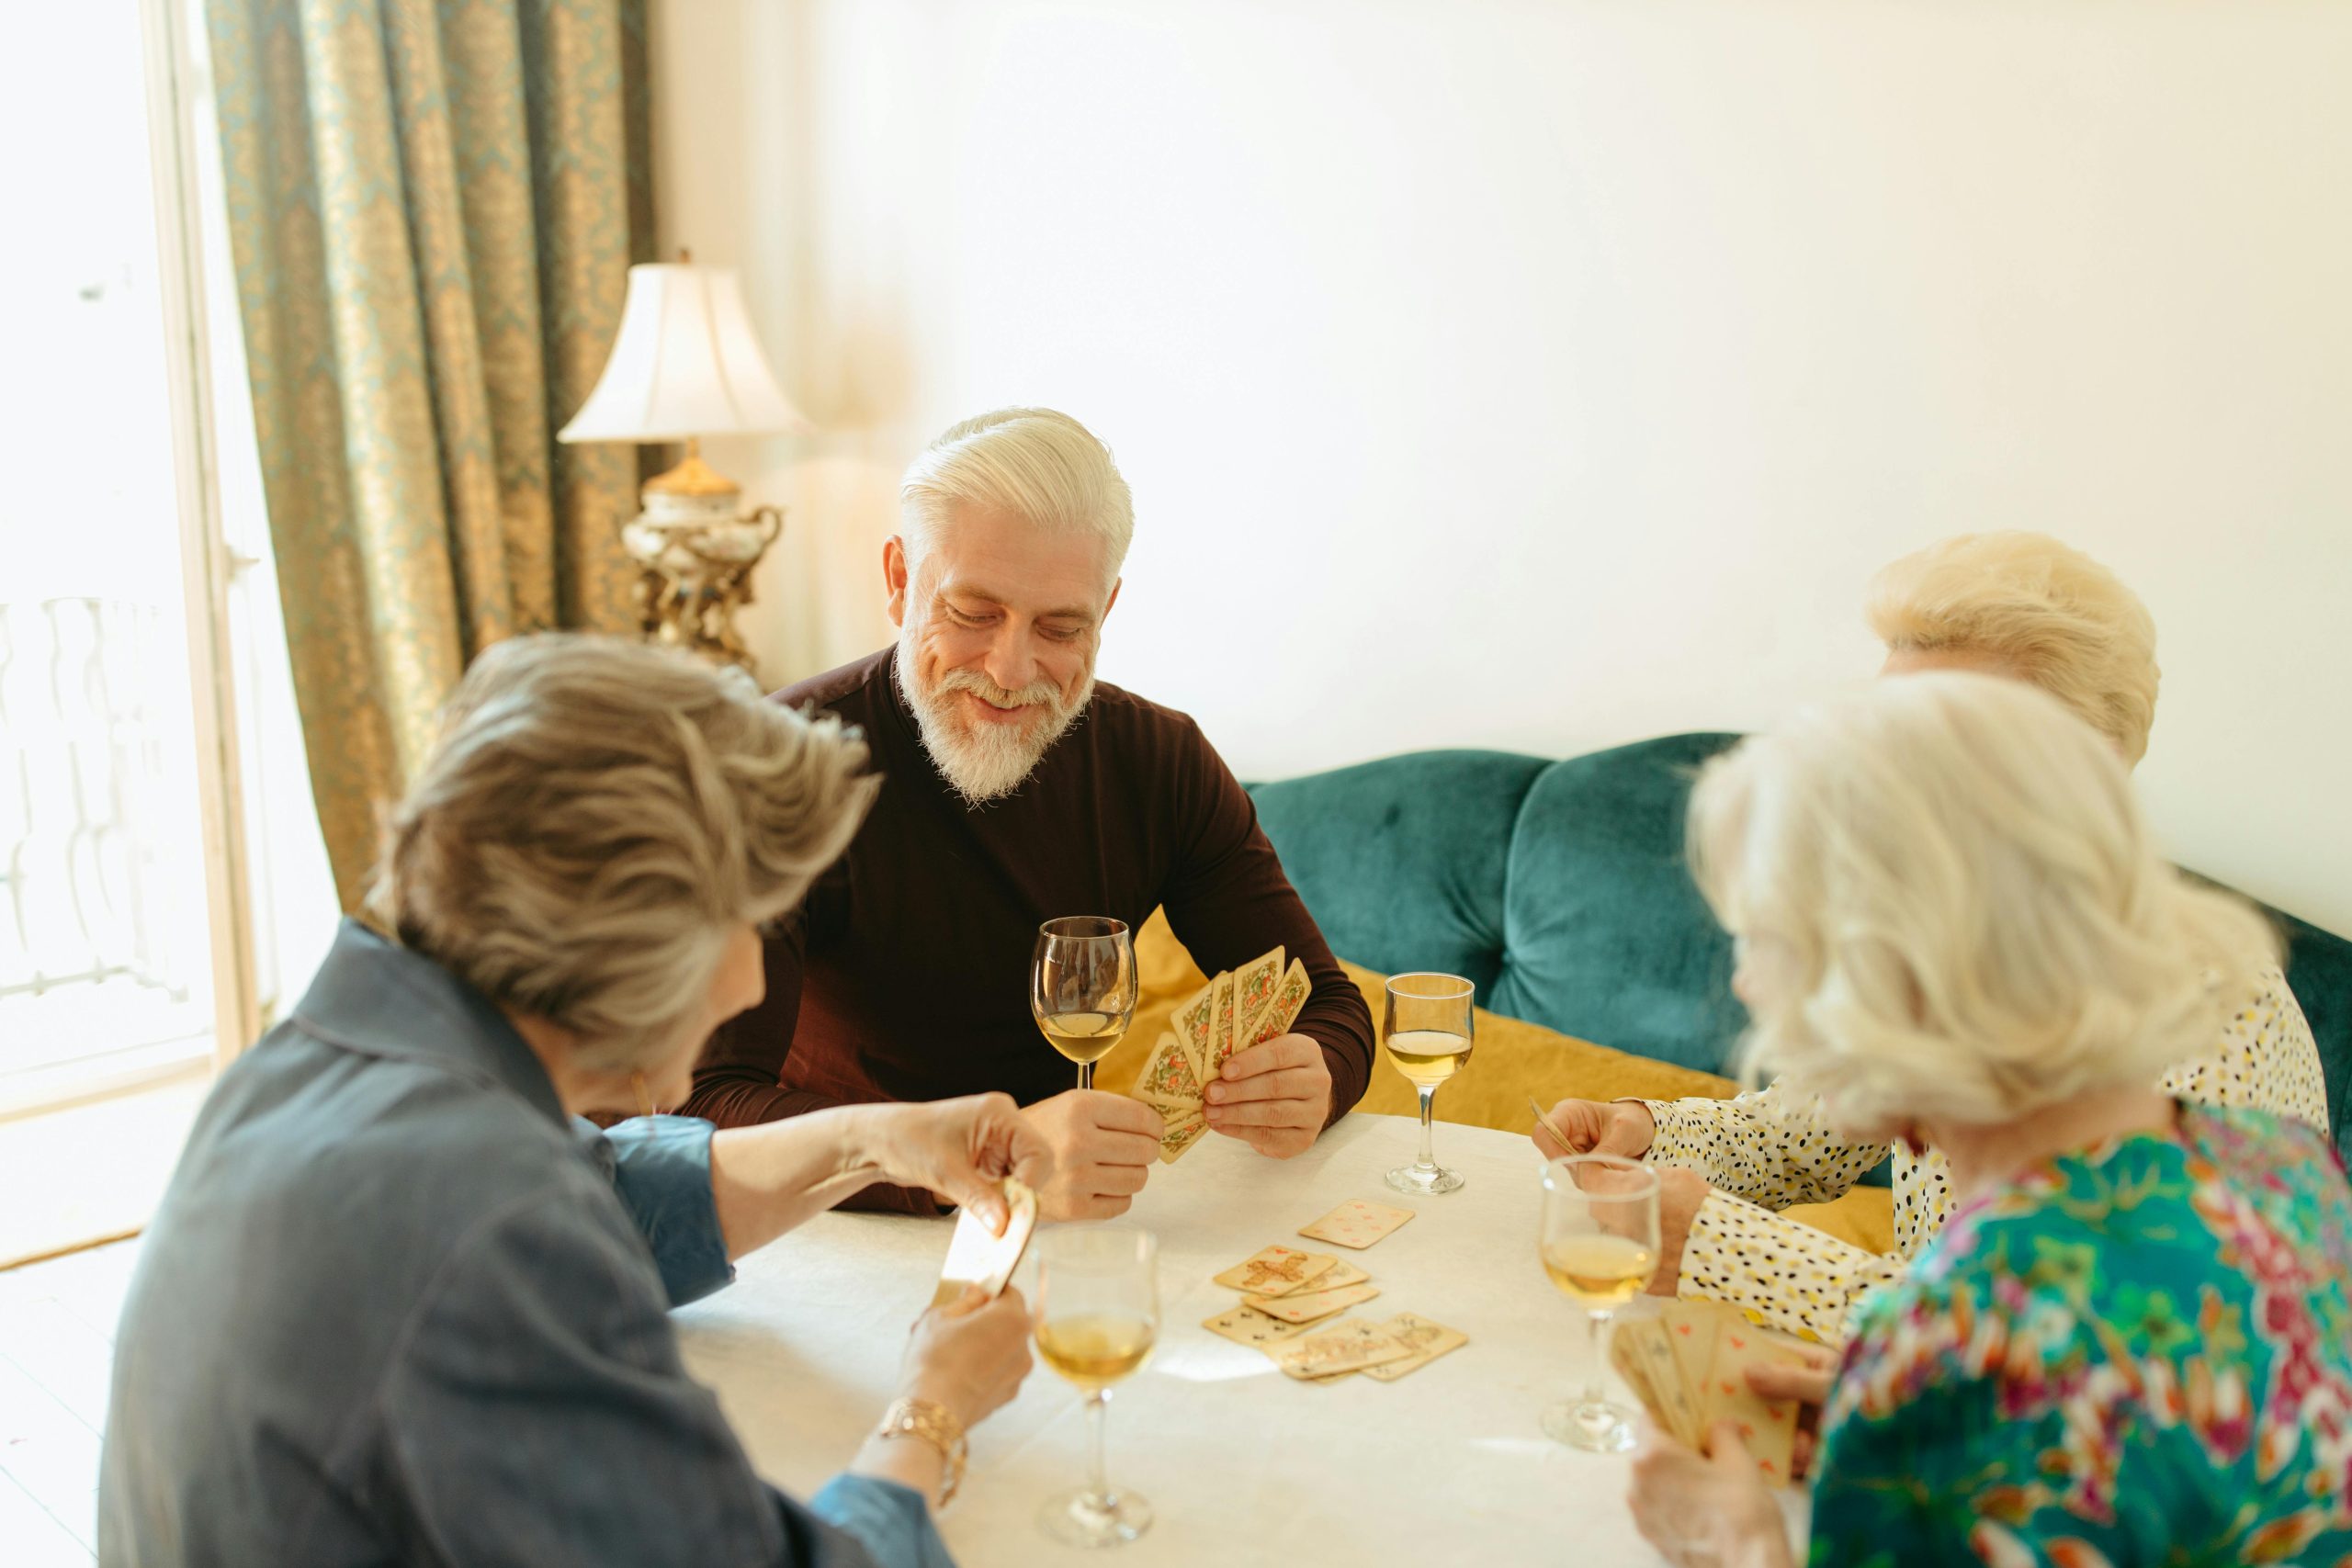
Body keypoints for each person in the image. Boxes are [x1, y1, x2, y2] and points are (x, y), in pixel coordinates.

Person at [99, 636, 1051, 1568]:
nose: (752, 987)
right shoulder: (497, 1224)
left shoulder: (319, 1063)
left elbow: (614, 1197)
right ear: (641, 931)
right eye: (747, 924)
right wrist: (932, 1407)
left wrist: (874, 1140)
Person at [1624, 672, 2352, 1565]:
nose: (1744, 983)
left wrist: (1737, 1544)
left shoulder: (1958, 1347)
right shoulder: (2281, 1162)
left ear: (1892, 973)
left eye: (1765, 939)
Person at [1540, 533, 2328, 1340]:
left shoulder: (2204, 1007)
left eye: (1939, 751)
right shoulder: (1951, 931)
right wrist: (1653, 1130)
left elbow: (2057, 1354)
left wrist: (1717, 1246)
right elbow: (1816, 1130)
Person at [687, 408, 1376, 1220]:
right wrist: (993, 1154)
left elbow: (1330, 1005)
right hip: (832, 1225)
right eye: (973, 613)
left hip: (1065, 1220)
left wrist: (1317, 1072)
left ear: (1107, 609)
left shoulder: (1162, 762)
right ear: (900, 581)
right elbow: (704, 1111)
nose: (1012, 670)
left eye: (1060, 626)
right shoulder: (772, 768)